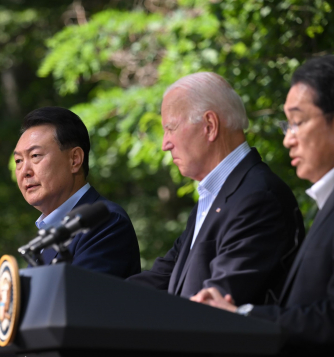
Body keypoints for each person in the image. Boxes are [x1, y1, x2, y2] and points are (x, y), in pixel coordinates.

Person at [191, 56, 334, 354]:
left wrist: (241, 316)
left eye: (298, 122)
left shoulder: (260, 196)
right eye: (287, 124)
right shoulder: (325, 204)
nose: (288, 140)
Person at [126, 72, 304, 306]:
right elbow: (163, 277)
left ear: (209, 126)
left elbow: (217, 305)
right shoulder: (215, 196)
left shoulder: (258, 198)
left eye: (171, 128)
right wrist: (89, 294)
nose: (165, 144)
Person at [13, 106, 140, 278]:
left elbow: (82, 301)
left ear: (75, 160)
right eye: (18, 160)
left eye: (35, 156)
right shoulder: (51, 232)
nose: (24, 171)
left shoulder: (105, 222)